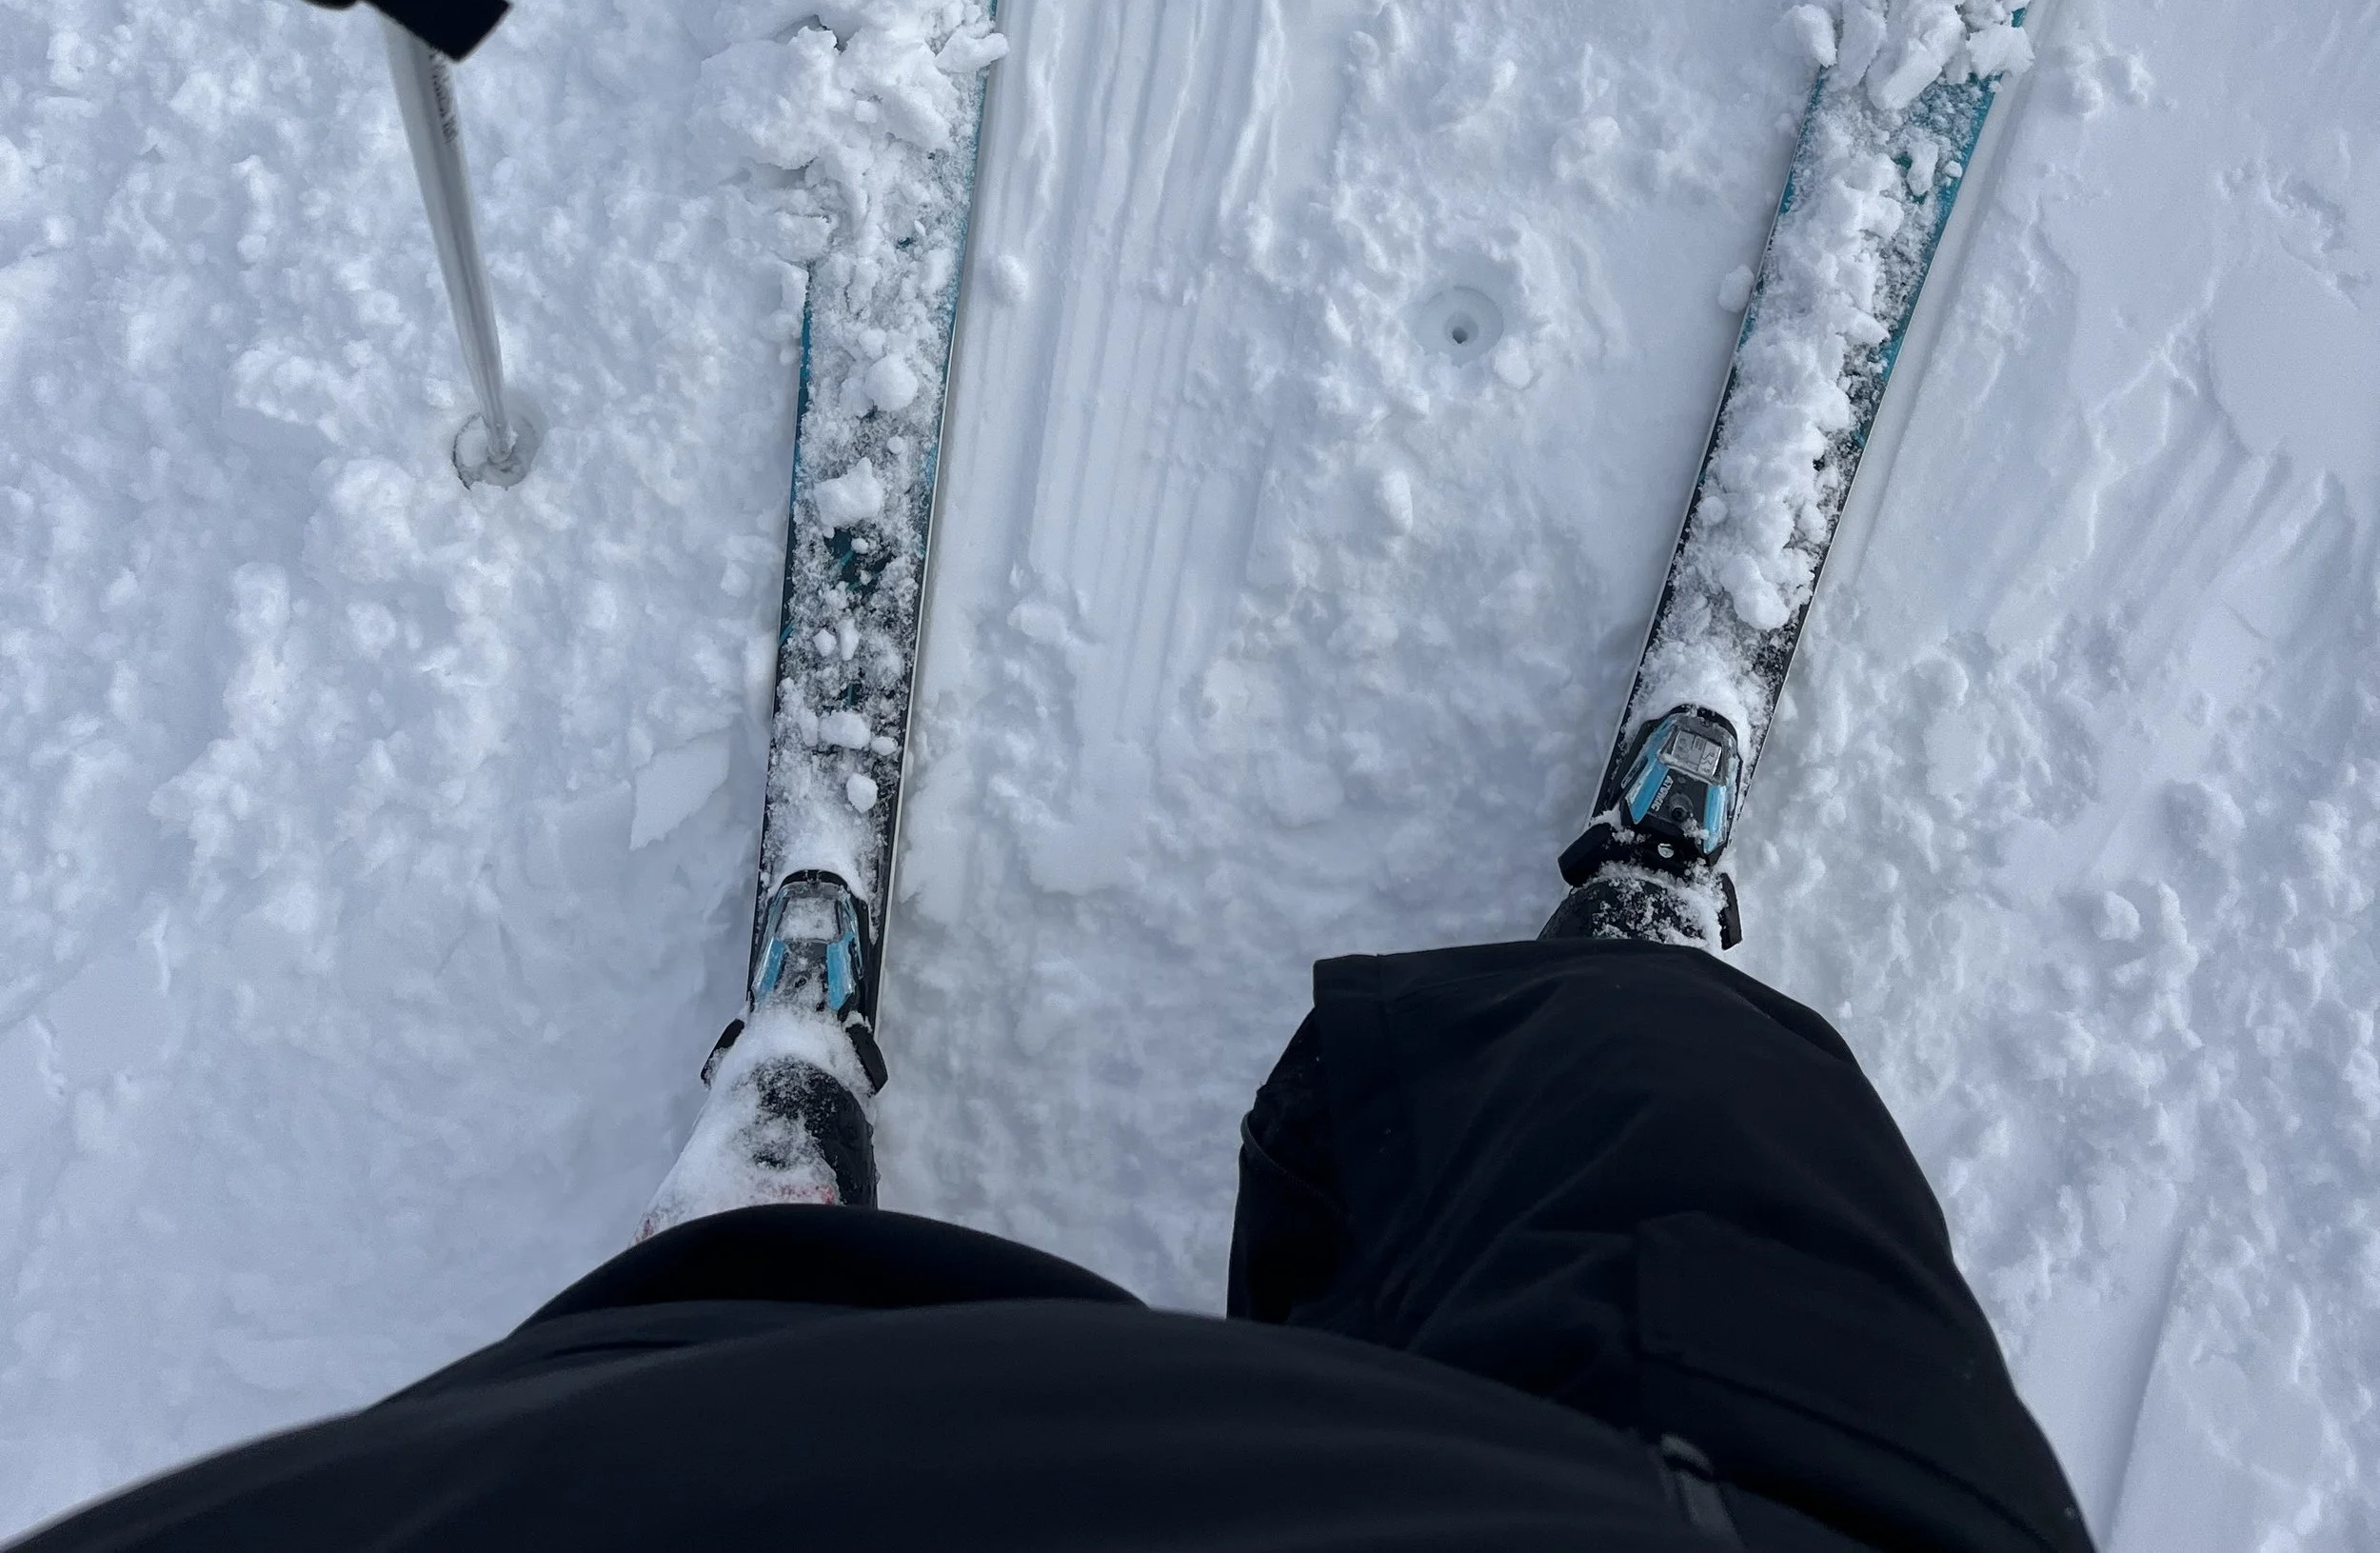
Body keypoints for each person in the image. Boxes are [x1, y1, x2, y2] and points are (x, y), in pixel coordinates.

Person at [16, 866, 2089, 1553]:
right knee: (1660, 1090)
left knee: (746, 1338)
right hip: (1687, 1510)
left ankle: (743, 1206)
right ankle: (1621, 964)